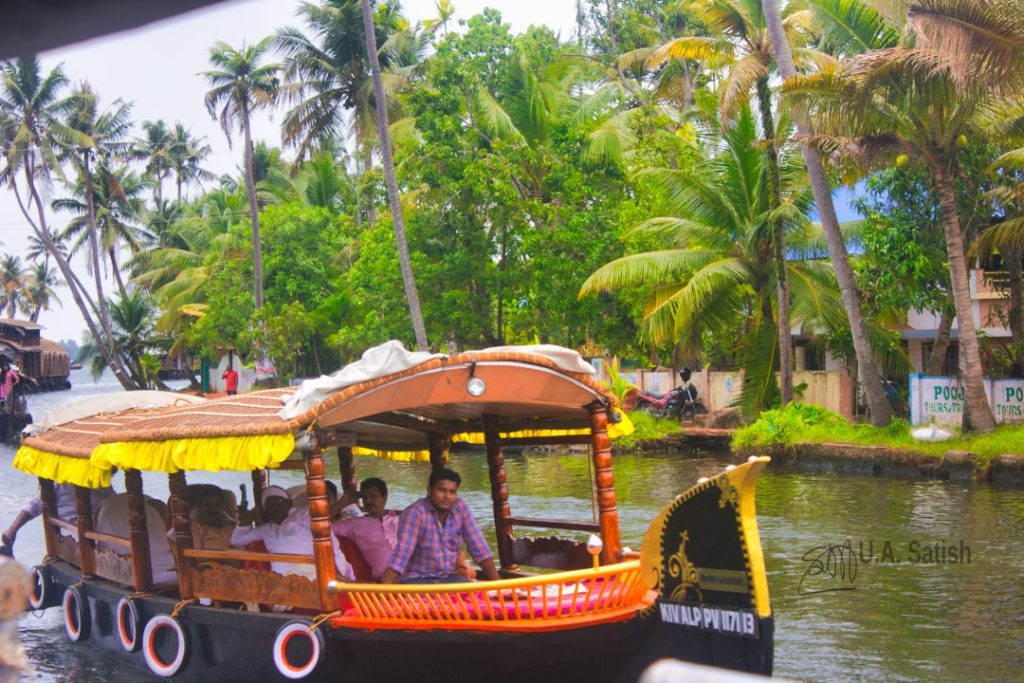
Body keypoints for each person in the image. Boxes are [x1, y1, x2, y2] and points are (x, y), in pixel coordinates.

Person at [380, 469, 499, 584]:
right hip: (418, 578)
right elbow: (402, 554)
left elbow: (480, 548)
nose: (447, 496)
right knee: (417, 597)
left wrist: (499, 586)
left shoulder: (460, 507)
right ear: (430, 490)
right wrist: (383, 594)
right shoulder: (415, 513)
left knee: (470, 592)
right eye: (442, 490)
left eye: (452, 492)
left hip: (449, 577)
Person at [230, 485, 354, 581]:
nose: (275, 507)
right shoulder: (266, 530)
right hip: (284, 578)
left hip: (316, 570)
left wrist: (343, 502)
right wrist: (252, 513)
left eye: (279, 501)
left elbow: (322, 520)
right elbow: (236, 540)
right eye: (270, 505)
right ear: (265, 510)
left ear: (289, 503)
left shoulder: (302, 514)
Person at [3, 481, 116, 553]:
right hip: (68, 532)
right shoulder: (57, 484)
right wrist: (12, 530)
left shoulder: (102, 484)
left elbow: (115, 504)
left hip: (98, 529)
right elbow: (32, 508)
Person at [332, 478, 401, 581]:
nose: (368, 501)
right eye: (365, 498)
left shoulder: (400, 520)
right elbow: (322, 526)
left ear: (384, 498)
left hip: (412, 573)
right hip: (386, 579)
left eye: (373, 497)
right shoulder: (355, 524)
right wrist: (344, 501)